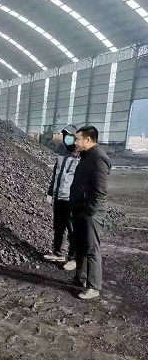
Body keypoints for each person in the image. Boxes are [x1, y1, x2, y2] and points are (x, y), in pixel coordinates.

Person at [70, 126, 111, 300]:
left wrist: (90, 211)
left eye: (77, 139)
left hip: (91, 212)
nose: (75, 142)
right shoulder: (86, 156)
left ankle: (93, 287)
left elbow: (100, 191)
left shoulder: (98, 157)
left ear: (88, 140)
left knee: (92, 248)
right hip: (81, 209)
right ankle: (81, 278)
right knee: (80, 246)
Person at [44, 125, 79, 271]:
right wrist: (50, 193)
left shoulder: (80, 156)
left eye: (69, 136)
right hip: (59, 196)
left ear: (75, 138)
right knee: (58, 227)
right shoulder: (61, 153)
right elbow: (55, 175)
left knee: (72, 230)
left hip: (71, 198)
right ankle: (58, 253)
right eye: (65, 136)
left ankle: (73, 258)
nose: (67, 139)